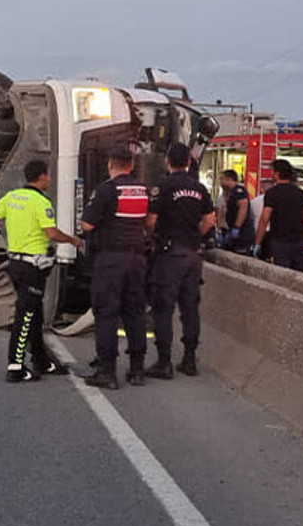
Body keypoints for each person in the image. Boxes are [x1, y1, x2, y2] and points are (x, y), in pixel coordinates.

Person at [0, 160, 85, 383]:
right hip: (33, 267)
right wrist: (73, 240)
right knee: (25, 316)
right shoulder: (41, 202)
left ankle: (41, 360)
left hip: (15, 263)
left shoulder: (12, 197)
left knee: (35, 314)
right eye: (49, 175)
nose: (50, 179)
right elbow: (51, 233)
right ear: (41, 177)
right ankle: (15, 366)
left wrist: (10, 236)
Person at [80, 145, 149, 390]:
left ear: (110, 165)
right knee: (135, 313)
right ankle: (138, 369)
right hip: (137, 260)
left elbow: (87, 224)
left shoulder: (106, 190)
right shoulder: (142, 190)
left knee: (107, 313)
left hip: (111, 260)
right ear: (131, 165)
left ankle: (107, 370)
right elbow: (149, 221)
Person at [146, 143, 216, 379]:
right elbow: (209, 220)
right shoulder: (199, 188)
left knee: (163, 309)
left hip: (170, 255)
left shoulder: (164, 187)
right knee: (190, 309)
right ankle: (189, 359)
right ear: (188, 162)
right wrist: (194, 232)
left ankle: (164, 362)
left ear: (168, 162)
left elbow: (151, 221)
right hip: (193, 255)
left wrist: (155, 235)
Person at [253, 159, 303, 271]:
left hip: (279, 241)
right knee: (297, 273)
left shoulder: (272, 193)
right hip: (297, 240)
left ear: (277, 174)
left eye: (272, 172)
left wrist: (258, 242)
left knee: (281, 273)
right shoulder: (300, 193)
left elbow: (265, 219)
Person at [216, 170, 253, 252]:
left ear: (229, 179)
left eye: (222, 179)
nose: (220, 182)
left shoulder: (239, 191)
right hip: (232, 230)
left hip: (242, 233)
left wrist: (236, 227)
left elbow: (243, 208)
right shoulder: (230, 193)